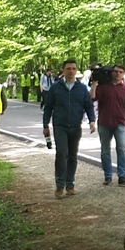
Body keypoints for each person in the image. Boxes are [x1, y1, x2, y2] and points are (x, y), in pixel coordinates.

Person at [43, 60, 96, 198]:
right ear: (63, 70)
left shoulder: (82, 88)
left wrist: (92, 120)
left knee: (72, 156)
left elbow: (88, 105)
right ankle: (60, 185)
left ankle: (70, 184)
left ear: (76, 70)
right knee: (62, 153)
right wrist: (45, 125)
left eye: (73, 68)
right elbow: (48, 107)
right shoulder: (56, 87)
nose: (71, 71)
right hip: (60, 125)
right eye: (68, 68)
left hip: (75, 126)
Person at [91, 64, 125, 186]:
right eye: (115, 71)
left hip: (120, 123)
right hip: (104, 123)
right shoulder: (102, 87)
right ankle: (108, 175)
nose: (117, 74)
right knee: (105, 150)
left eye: (120, 72)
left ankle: (122, 176)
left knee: (121, 149)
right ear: (111, 72)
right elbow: (92, 98)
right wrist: (94, 82)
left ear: (123, 74)